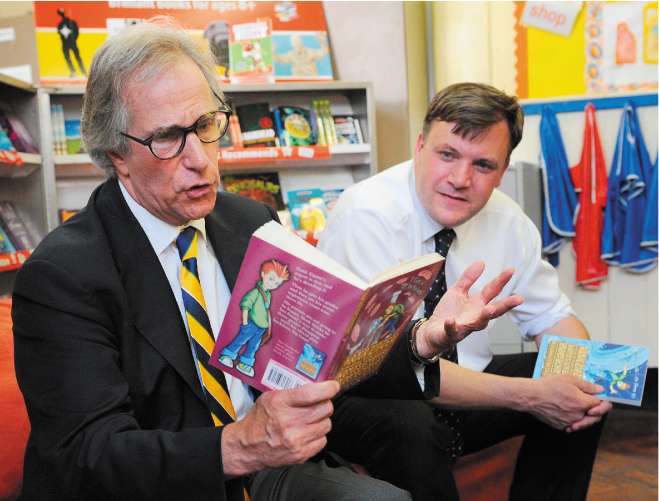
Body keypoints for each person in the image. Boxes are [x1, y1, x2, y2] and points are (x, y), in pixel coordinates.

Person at [11, 22, 519, 501]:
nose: (201, 159)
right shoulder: (64, 275)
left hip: (270, 470)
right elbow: (85, 455)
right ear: (116, 152)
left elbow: (327, 351)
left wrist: (421, 339)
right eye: (168, 137)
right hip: (170, 482)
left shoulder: (247, 220)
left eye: (207, 124)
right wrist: (235, 446)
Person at [318, 82, 613, 501]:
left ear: (504, 170)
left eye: (483, 165)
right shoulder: (364, 215)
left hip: (466, 388)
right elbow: (390, 364)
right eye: (447, 155)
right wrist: (532, 397)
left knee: (583, 395)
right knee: (410, 423)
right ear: (420, 145)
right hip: (370, 394)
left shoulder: (508, 221)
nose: (460, 179)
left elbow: (555, 320)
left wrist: (574, 382)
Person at [56, 8, 86, 78]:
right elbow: (60, 33)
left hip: (71, 43)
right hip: (66, 44)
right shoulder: (60, 25)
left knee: (77, 57)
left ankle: (83, 71)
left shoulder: (71, 22)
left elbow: (76, 32)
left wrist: (73, 39)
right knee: (68, 58)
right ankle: (74, 72)